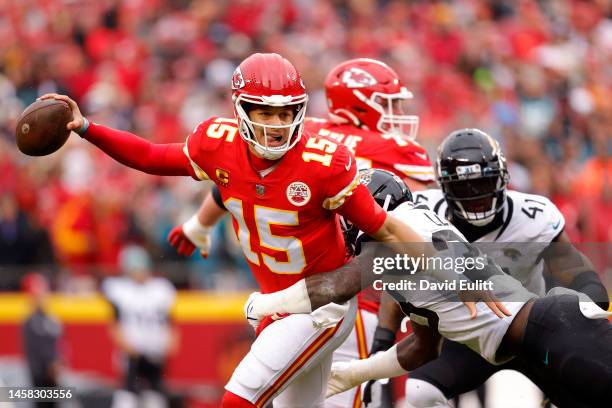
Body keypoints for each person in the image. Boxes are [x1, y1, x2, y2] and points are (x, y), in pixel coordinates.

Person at [38, 53, 452, 407]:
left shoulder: (325, 163)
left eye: (286, 113)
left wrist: (461, 275)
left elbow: (388, 229)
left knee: (238, 398)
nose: (276, 124)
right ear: (241, 109)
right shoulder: (217, 144)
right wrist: (87, 128)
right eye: (265, 112)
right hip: (277, 302)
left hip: (319, 306)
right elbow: (154, 156)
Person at [167, 58, 435, 407]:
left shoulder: (296, 129)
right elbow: (419, 218)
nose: (397, 113)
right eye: (388, 104)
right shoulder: (393, 151)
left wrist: (198, 225)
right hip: (361, 297)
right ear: (358, 106)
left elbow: (231, 184)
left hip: (302, 291)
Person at [244, 168, 612, 408]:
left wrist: (265, 304)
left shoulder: (398, 231)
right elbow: (424, 347)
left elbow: (335, 286)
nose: (346, 224)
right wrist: (355, 373)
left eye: (351, 211)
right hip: (537, 341)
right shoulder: (406, 245)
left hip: (554, 331)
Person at [378, 128, 610, 408]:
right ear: (445, 187)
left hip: (533, 335)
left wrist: (590, 311)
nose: (476, 195)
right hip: (467, 340)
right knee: (419, 392)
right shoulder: (423, 213)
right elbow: (398, 279)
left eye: (484, 183)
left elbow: (575, 270)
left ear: (502, 179)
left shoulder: (533, 216)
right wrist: (383, 337)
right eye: (464, 186)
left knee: (581, 391)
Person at [103, 245, 178, 408]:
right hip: (132, 354)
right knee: (127, 396)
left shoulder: (160, 288)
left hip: (155, 352)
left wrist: (171, 342)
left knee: (155, 397)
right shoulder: (119, 289)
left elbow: (170, 321)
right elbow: (114, 323)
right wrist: (126, 346)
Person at [21, 273, 62, 408]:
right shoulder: (31, 321)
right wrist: (49, 365)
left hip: (52, 372)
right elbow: (36, 348)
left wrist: (58, 362)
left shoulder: (51, 318)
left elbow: (58, 344)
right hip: (40, 372)